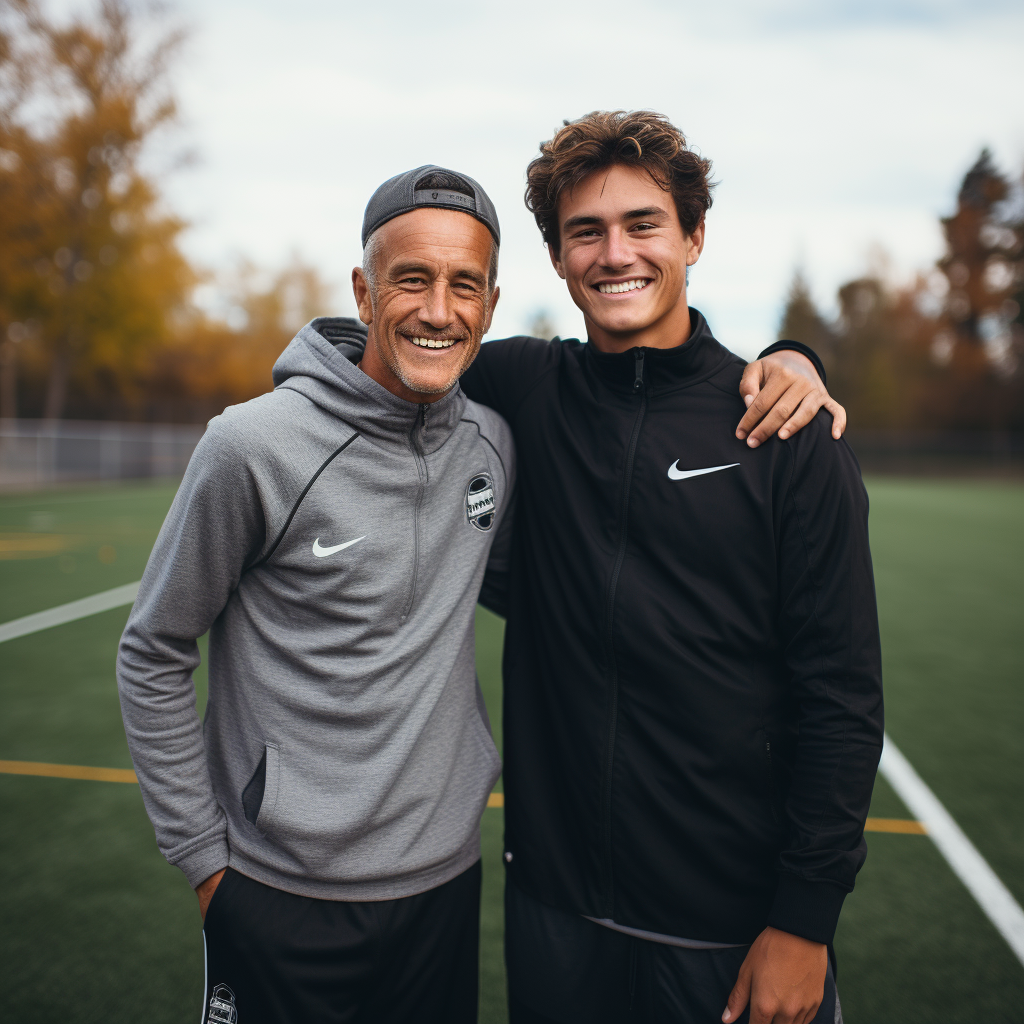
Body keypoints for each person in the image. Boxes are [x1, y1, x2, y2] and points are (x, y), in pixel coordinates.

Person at [117, 158, 842, 1022]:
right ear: (363, 289)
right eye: (411, 279)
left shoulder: (519, 430)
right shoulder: (280, 441)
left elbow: (832, 686)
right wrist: (206, 863)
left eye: (464, 285)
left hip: (502, 894)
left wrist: (793, 355)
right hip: (351, 896)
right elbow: (153, 648)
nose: (437, 309)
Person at [458, 111, 884, 1024]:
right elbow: (382, 339)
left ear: (693, 236)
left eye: (643, 224)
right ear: (559, 257)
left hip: (728, 926)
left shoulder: (785, 434)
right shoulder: (523, 390)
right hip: (555, 912)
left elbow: (842, 695)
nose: (616, 254)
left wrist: (804, 924)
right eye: (586, 232)